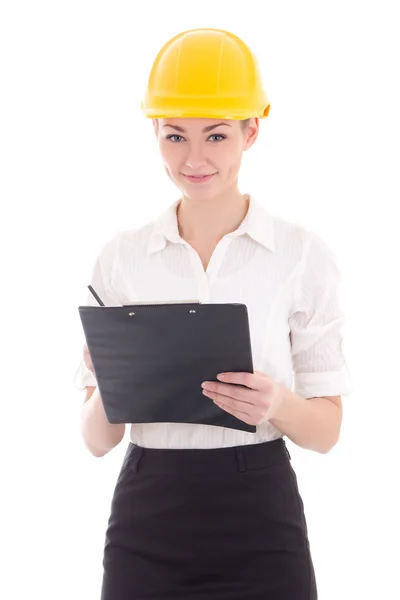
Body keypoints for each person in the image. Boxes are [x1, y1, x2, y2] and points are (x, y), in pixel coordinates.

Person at [74, 28, 352, 600]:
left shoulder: (301, 255)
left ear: (252, 131)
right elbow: (97, 441)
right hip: (148, 511)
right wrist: (109, 382)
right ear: (154, 131)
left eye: (217, 135)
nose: (194, 159)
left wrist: (276, 402)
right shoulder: (121, 258)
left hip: (259, 509)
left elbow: (327, 433)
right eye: (174, 135)